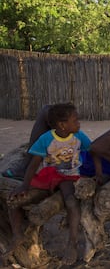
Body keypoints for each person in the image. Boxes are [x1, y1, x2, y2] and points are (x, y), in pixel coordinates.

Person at [4, 103, 95, 265]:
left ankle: (72, 243)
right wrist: (24, 185)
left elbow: (94, 150)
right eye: (75, 120)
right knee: (14, 199)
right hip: (49, 175)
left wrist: (98, 174)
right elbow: (33, 163)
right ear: (62, 125)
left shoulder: (79, 136)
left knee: (71, 201)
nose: (79, 123)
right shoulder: (46, 139)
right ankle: (17, 234)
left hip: (69, 177)